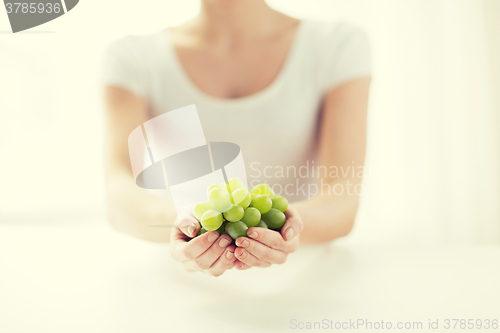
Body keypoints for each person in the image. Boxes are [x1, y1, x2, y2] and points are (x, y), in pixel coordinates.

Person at [102, 0, 371, 277]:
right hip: (180, 279)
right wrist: (183, 225)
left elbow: (343, 197)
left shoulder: (335, 44)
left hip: (307, 277)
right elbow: (118, 192)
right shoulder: (134, 57)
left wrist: (284, 228)